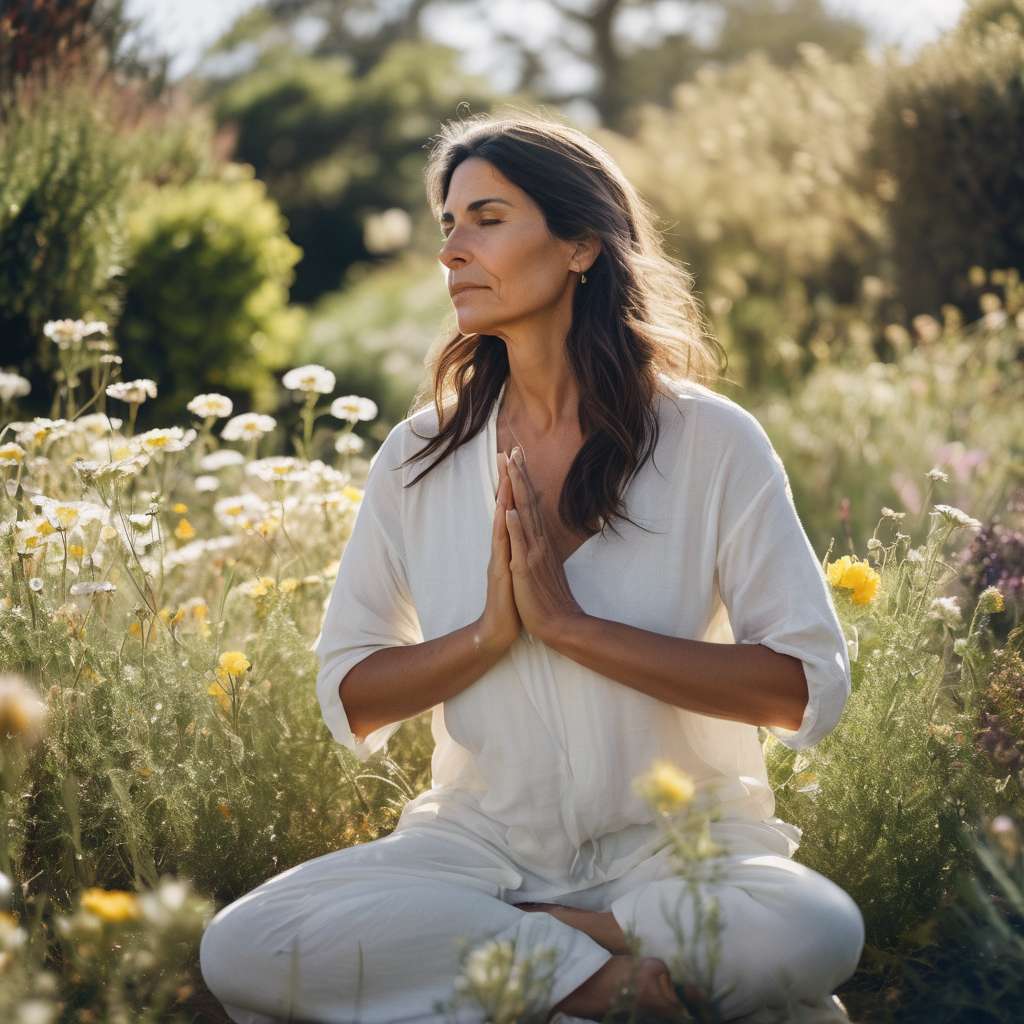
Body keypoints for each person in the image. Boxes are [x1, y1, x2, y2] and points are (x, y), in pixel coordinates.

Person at [200, 116, 864, 1024]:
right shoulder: (418, 456)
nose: (452, 252)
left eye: (486, 219)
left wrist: (574, 630)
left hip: (679, 856)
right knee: (242, 944)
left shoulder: (711, 442)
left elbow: (801, 688)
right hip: (477, 855)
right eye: (447, 224)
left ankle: (524, 958)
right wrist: (489, 636)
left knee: (814, 927)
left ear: (582, 242)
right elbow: (351, 693)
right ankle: (601, 984)